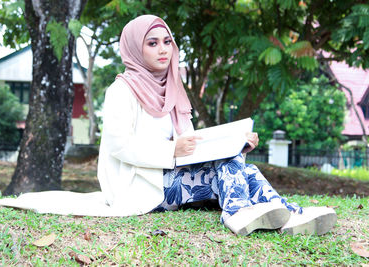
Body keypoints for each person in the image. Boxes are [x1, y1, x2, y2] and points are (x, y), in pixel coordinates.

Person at [97, 14, 337, 236]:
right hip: (137, 186)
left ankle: (289, 216)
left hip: (170, 177)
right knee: (228, 167)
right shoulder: (121, 91)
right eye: (152, 43)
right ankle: (236, 213)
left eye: (167, 42)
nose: (163, 50)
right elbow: (119, 145)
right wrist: (171, 149)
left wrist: (236, 145)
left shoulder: (173, 90)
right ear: (133, 49)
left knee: (247, 169)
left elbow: (192, 144)